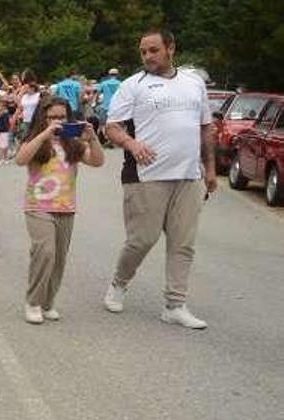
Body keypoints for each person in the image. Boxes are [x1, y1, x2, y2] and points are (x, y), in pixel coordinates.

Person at [102, 28, 217, 329]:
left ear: (171, 49)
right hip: (146, 176)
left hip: (188, 176)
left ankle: (175, 305)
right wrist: (133, 144)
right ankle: (119, 283)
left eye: (154, 50)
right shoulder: (133, 85)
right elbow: (111, 127)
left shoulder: (194, 83)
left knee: (183, 243)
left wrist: (212, 168)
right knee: (142, 240)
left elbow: (206, 127)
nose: (148, 56)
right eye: (143, 51)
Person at [13, 96, 105, 324]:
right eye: (52, 117)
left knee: (59, 259)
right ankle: (33, 302)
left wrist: (93, 139)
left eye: (62, 117)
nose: (57, 121)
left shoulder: (72, 143)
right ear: (42, 118)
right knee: (45, 252)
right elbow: (20, 159)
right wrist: (45, 134)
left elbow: (97, 161)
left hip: (66, 207)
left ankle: (48, 302)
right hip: (38, 206)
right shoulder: (36, 140)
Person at [0, 100, 14, 165]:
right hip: (3, 131)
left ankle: (0, 159)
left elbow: (5, 124)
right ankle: (5, 159)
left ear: (4, 107)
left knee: (1, 146)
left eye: (1, 106)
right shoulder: (3, 114)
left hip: (3, 132)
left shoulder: (4, 114)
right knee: (4, 145)